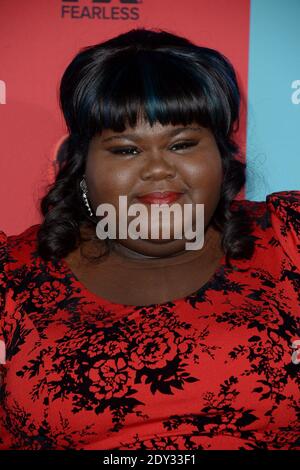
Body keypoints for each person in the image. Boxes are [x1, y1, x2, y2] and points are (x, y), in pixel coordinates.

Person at [0, 27, 299, 451]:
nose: (158, 169)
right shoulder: (10, 275)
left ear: (220, 154)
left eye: (182, 144)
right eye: (126, 149)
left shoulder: (290, 237)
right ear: (81, 165)